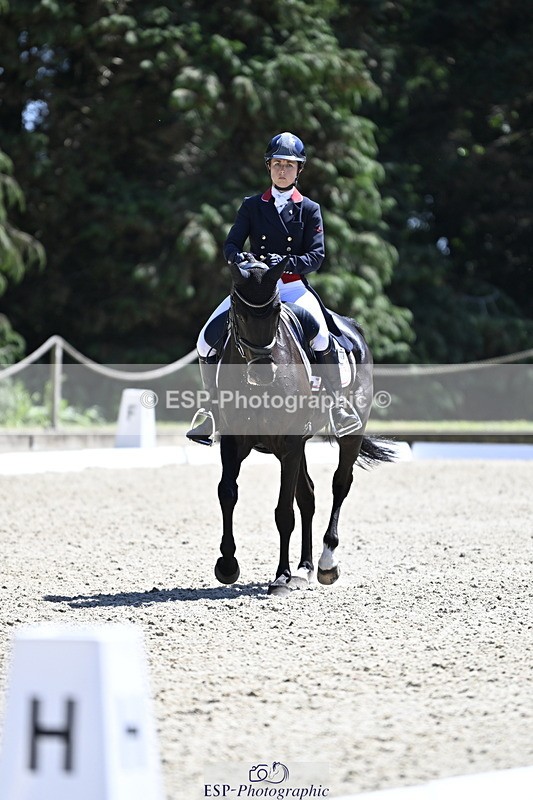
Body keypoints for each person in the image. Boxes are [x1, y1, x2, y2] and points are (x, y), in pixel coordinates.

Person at [187, 131, 362, 445]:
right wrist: (238, 258)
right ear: (269, 166)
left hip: (293, 289)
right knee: (204, 342)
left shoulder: (309, 209)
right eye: (278, 163)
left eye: (290, 165)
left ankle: (338, 405)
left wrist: (286, 262)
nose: (283, 170)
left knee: (322, 337)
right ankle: (210, 409)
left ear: (299, 170)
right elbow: (230, 243)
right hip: (255, 288)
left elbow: (316, 255)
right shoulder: (252, 206)